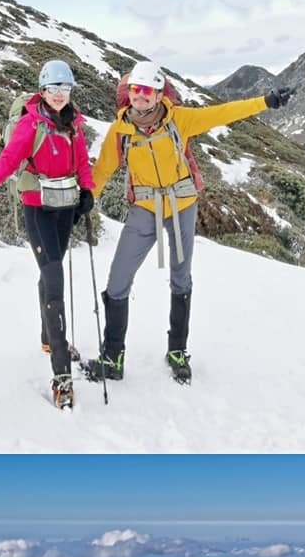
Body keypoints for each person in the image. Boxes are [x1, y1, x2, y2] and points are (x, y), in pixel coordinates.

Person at [83, 61, 294, 386]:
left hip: (182, 205)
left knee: (181, 278)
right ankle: (113, 356)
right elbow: (101, 172)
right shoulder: (119, 131)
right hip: (144, 208)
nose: (140, 97)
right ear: (129, 94)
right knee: (117, 281)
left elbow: (223, 112)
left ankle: (177, 351)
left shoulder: (179, 120)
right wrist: (87, 198)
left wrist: (265, 101)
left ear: (158, 94)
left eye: (147, 91)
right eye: (135, 90)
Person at [0, 59, 95, 410]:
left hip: (65, 205)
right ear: (42, 90)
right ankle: (62, 376)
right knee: (54, 277)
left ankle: (47, 337)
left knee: (50, 272)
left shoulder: (74, 125)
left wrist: (88, 190)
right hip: (37, 206)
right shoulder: (29, 124)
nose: (59, 95)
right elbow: (9, 160)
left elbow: (82, 162)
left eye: (65, 89)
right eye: (53, 89)